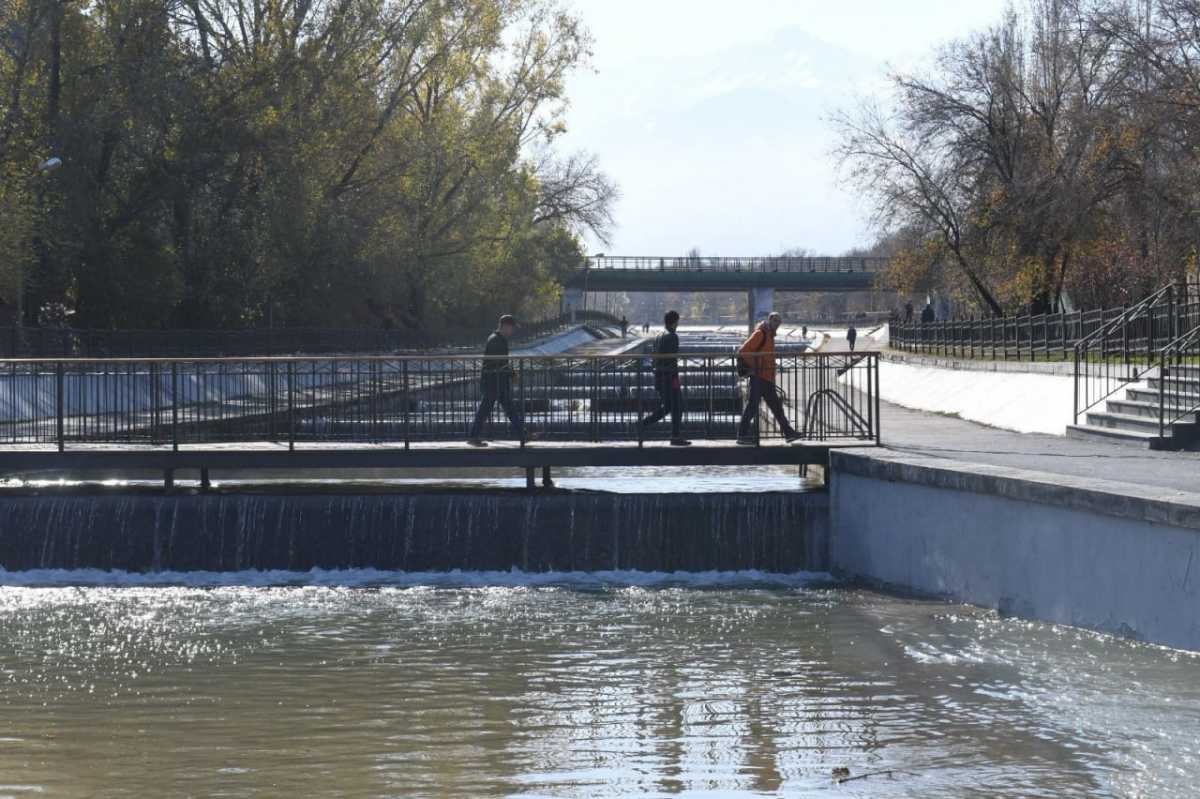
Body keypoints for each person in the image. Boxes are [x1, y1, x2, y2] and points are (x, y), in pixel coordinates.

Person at [737, 312, 800, 445]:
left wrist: (770, 365)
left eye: (779, 322)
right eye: (775, 321)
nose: (777, 324)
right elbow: (743, 351)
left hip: (766, 378)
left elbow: (765, 355)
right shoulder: (761, 334)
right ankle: (741, 436)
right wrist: (756, 367)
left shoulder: (770, 335)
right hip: (758, 377)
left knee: (776, 407)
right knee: (752, 407)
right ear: (770, 320)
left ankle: (789, 433)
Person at [467, 314, 526, 447]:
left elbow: (501, 362)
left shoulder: (499, 339)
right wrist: (512, 373)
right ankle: (472, 436)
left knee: (509, 409)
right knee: (484, 410)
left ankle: (523, 435)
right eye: (512, 328)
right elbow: (498, 362)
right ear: (505, 326)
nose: (513, 331)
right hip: (493, 382)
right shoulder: (496, 340)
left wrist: (510, 374)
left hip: (498, 381)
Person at [639, 310, 690, 446]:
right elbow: (672, 359)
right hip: (669, 376)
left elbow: (655, 357)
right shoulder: (672, 336)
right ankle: (675, 436)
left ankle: (642, 424)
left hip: (659, 376)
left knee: (668, 406)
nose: (678, 324)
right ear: (675, 322)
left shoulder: (659, 335)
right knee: (677, 405)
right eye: (678, 321)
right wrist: (675, 380)